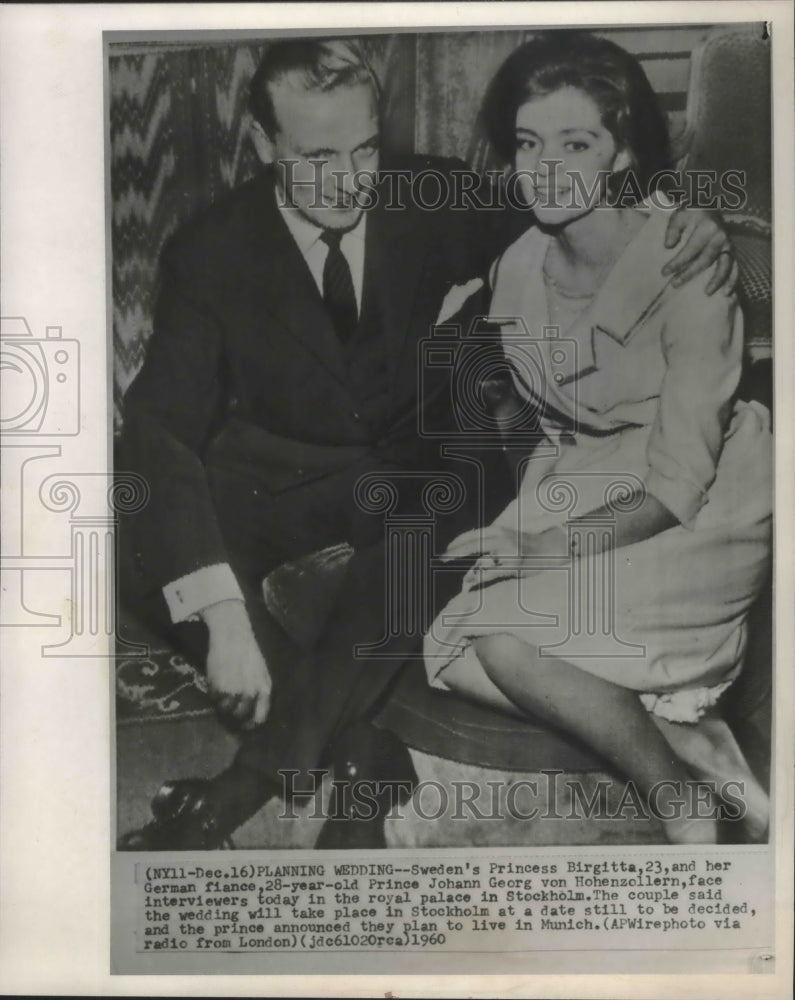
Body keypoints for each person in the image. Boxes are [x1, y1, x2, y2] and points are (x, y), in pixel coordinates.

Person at [118, 36, 736, 850]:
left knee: (412, 539)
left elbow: (580, 199)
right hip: (293, 476)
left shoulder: (436, 193)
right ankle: (361, 755)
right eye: (315, 156)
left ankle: (244, 787)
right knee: (144, 543)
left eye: (365, 149)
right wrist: (223, 619)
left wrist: (684, 213)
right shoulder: (209, 250)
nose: (350, 180)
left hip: (433, 468)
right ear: (263, 144)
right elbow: (159, 427)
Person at [425, 32, 772, 844]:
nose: (543, 169)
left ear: (620, 155)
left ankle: (676, 801)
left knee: (504, 641)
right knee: (449, 648)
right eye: (527, 143)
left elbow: (678, 480)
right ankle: (686, 741)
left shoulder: (689, 270)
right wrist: (536, 520)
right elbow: (553, 422)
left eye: (575, 144)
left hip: (700, 502)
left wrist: (551, 548)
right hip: (592, 478)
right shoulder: (518, 263)